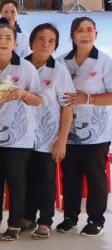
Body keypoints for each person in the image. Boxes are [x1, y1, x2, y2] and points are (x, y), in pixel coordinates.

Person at [0, 24, 43, 241]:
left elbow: (38, 99)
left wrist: (22, 94)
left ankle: (15, 223)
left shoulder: (26, 68)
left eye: (8, 38)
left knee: (16, 179)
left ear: (16, 42)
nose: (4, 41)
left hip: (20, 135)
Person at [59, 16, 112, 237]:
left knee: (95, 176)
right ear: (72, 35)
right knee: (70, 176)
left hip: (96, 133)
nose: (85, 34)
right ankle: (70, 217)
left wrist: (88, 99)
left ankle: (96, 220)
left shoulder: (105, 62)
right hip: (68, 131)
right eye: (80, 30)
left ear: (96, 34)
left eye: (90, 30)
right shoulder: (61, 62)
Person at [23, 24, 75, 240]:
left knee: (45, 179)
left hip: (48, 137)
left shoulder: (59, 71)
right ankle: (27, 216)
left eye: (51, 41)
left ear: (55, 46)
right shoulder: (21, 65)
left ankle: (45, 221)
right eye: (41, 39)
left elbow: (67, 108)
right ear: (32, 42)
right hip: (22, 136)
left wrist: (62, 141)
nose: (45, 44)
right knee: (25, 178)